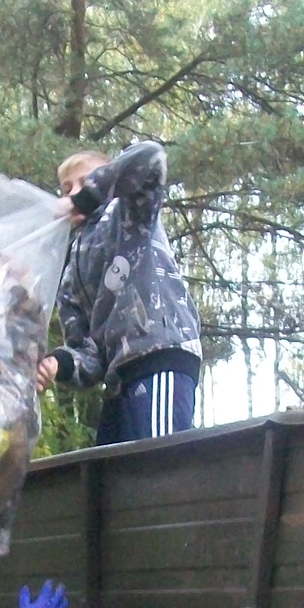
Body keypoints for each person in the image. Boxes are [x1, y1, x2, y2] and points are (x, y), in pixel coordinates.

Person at [37, 141, 204, 446]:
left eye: (84, 182)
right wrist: (57, 365)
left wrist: (90, 197)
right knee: (112, 479)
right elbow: (89, 357)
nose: (74, 192)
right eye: (65, 188)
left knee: (159, 467)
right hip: (118, 381)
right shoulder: (69, 273)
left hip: (160, 356)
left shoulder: (129, 214)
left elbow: (150, 156)